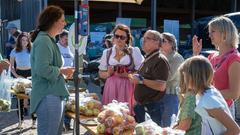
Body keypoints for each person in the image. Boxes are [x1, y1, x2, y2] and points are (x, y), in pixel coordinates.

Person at [30, 5, 73, 135]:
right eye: (62, 20)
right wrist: (62, 71)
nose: (64, 23)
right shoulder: (44, 40)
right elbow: (43, 69)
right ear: (53, 21)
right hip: (48, 96)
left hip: (51, 94)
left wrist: (62, 71)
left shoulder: (47, 39)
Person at [192, 16, 240, 118]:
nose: (209, 35)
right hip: (208, 108)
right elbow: (199, 79)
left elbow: (234, 93)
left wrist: (206, 95)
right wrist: (196, 54)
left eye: (212, 31)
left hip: (223, 111)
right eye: (209, 32)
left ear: (225, 33)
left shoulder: (234, 58)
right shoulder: (211, 56)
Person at [181, 56, 240, 135]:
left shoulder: (208, 100)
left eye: (185, 75)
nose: (183, 78)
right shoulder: (206, 93)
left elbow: (234, 129)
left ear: (193, 76)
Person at [98, 24, 144, 114]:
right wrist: (108, 74)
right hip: (111, 86)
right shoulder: (107, 52)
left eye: (122, 37)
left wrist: (127, 75)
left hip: (128, 86)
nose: (119, 39)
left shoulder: (134, 51)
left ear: (127, 38)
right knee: (110, 114)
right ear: (113, 37)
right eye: (116, 36)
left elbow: (142, 71)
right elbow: (100, 72)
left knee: (125, 115)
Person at [130, 30, 170, 126]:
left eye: (147, 38)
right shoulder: (149, 58)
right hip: (142, 105)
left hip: (152, 107)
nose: (143, 40)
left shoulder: (160, 60)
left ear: (156, 42)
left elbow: (161, 86)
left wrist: (141, 80)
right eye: (143, 38)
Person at [9, 32, 37, 129]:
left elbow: (36, 63)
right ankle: (20, 122)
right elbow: (11, 66)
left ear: (28, 41)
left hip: (31, 75)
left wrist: (34, 75)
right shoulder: (14, 51)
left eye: (26, 40)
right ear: (19, 41)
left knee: (33, 98)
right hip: (19, 75)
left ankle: (34, 122)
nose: (24, 42)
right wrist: (17, 76)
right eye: (22, 40)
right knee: (19, 99)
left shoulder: (32, 50)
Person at [160, 32, 184, 127]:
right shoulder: (159, 56)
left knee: (168, 125)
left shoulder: (177, 58)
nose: (160, 43)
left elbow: (169, 77)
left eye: (163, 41)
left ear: (171, 44)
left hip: (171, 96)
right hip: (159, 94)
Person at [172, 58, 202, 134]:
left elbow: (184, 126)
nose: (180, 80)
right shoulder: (195, 93)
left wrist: (170, 132)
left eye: (183, 76)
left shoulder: (190, 96)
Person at [57, 30, 73, 131]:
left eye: (68, 39)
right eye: (65, 39)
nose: (67, 41)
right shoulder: (56, 47)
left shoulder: (70, 47)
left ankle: (67, 123)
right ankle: (60, 123)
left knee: (69, 101)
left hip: (70, 78)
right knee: (60, 101)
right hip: (59, 78)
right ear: (60, 38)